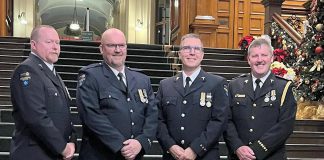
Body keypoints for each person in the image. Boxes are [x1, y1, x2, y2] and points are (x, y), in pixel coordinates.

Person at [76, 28, 158, 160]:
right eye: (111, 45)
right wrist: (122, 146)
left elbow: (152, 115)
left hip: (135, 154)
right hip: (100, 155)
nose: (118, 50)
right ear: (101, 49)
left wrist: (141, 142)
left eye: (121, 45)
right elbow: (91, 115)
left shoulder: (142, 79)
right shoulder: (90, 76)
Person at [156, 33, 229, 160]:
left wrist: (196, 149)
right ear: (179, 54)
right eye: (186, 48)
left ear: (202, 54)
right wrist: (170, 146)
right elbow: (158, 120)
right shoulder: (165, 85)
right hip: (173, 156)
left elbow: (219, 121)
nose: (192, 52)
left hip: (205, 155)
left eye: (196, 49)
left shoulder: (217, 83)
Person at [223, 36, 297, 160]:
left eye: (264, 55)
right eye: (255, 56)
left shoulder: (283, 87)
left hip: (271, 156)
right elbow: (226, 120)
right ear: (248, 59)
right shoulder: (234, 85)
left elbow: (285, 125)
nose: (259, 60)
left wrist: (257, 150)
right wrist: (237, 147)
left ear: (272, 58)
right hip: (238, 157)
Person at [10, 25, 76, 160]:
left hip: (52, 152)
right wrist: (62, 147)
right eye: (49, 42)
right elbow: (35, 116)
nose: (55, 47)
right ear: (33, 45)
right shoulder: (27, 70)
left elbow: (65, 113)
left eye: (57, 42)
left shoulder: (51, 73)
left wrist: (72, 140)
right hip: (34, 153)